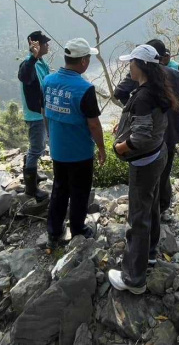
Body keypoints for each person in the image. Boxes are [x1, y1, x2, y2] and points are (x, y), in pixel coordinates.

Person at [108, 45, 179, 294]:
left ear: (140, 65)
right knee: (151, 207)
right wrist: (125, 128)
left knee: (138, 218)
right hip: (158, 153)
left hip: (143, 163)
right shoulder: (158, 89)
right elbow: (148, 124)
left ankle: (134, 279)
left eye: (131, 62)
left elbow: (140, 137)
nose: (128, 66)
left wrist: (120, 147)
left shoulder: (142, 96)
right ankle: (149, 254)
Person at [114, 39, 179, 221]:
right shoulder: (174, 74)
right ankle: (161, 208)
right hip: (169, 133)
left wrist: (132, 114)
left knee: (144, 171)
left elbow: (119, 92)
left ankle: (145, 215)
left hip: (144, 135)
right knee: (163, 168)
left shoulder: (139, 78)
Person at [43, 38, 106, 250]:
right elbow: (94, 124)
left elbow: (45, 111)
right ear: (83, 62)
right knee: (79, 191)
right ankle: (78, 229)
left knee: (59, 188)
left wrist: (50, 135)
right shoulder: (85, 88)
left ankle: (54, 231)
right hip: (79, 152)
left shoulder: (48, 81)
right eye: (88, 58)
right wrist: (102, 148)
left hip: (58, 149)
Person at [17, 31, 52, 200]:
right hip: (35, 114)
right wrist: (33, 56)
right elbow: (24, 76)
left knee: (38, 146)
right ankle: (31, 189)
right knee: (36, 148)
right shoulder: (29, 63)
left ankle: (33, 175)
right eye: (45, 43)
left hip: (42, 111)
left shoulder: (40, 63)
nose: (47, 45)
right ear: (36, 46)